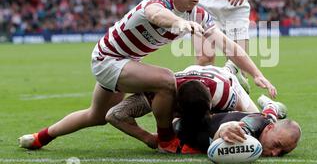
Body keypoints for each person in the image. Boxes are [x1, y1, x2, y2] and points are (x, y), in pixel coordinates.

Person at [18, 0, 277, 153]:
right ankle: (165, 139)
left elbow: (227, 45)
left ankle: (40, 137)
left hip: (125, 62)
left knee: (95, 116)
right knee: (166, 80)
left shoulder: (198, 13)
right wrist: (179, 24)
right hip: (108, 61)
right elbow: (155, 16)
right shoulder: (159, 1)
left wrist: (257, 74)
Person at [103, 64, 287, 150]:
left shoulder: (223, 95)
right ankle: (230, 68)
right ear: (177, 107)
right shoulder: (160, 94)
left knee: (256, 120)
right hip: (192, 80)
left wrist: (227, 127)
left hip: (226, 81)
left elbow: (252, 118)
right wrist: (149, 138)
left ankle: (271, 105)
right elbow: (113, 115)